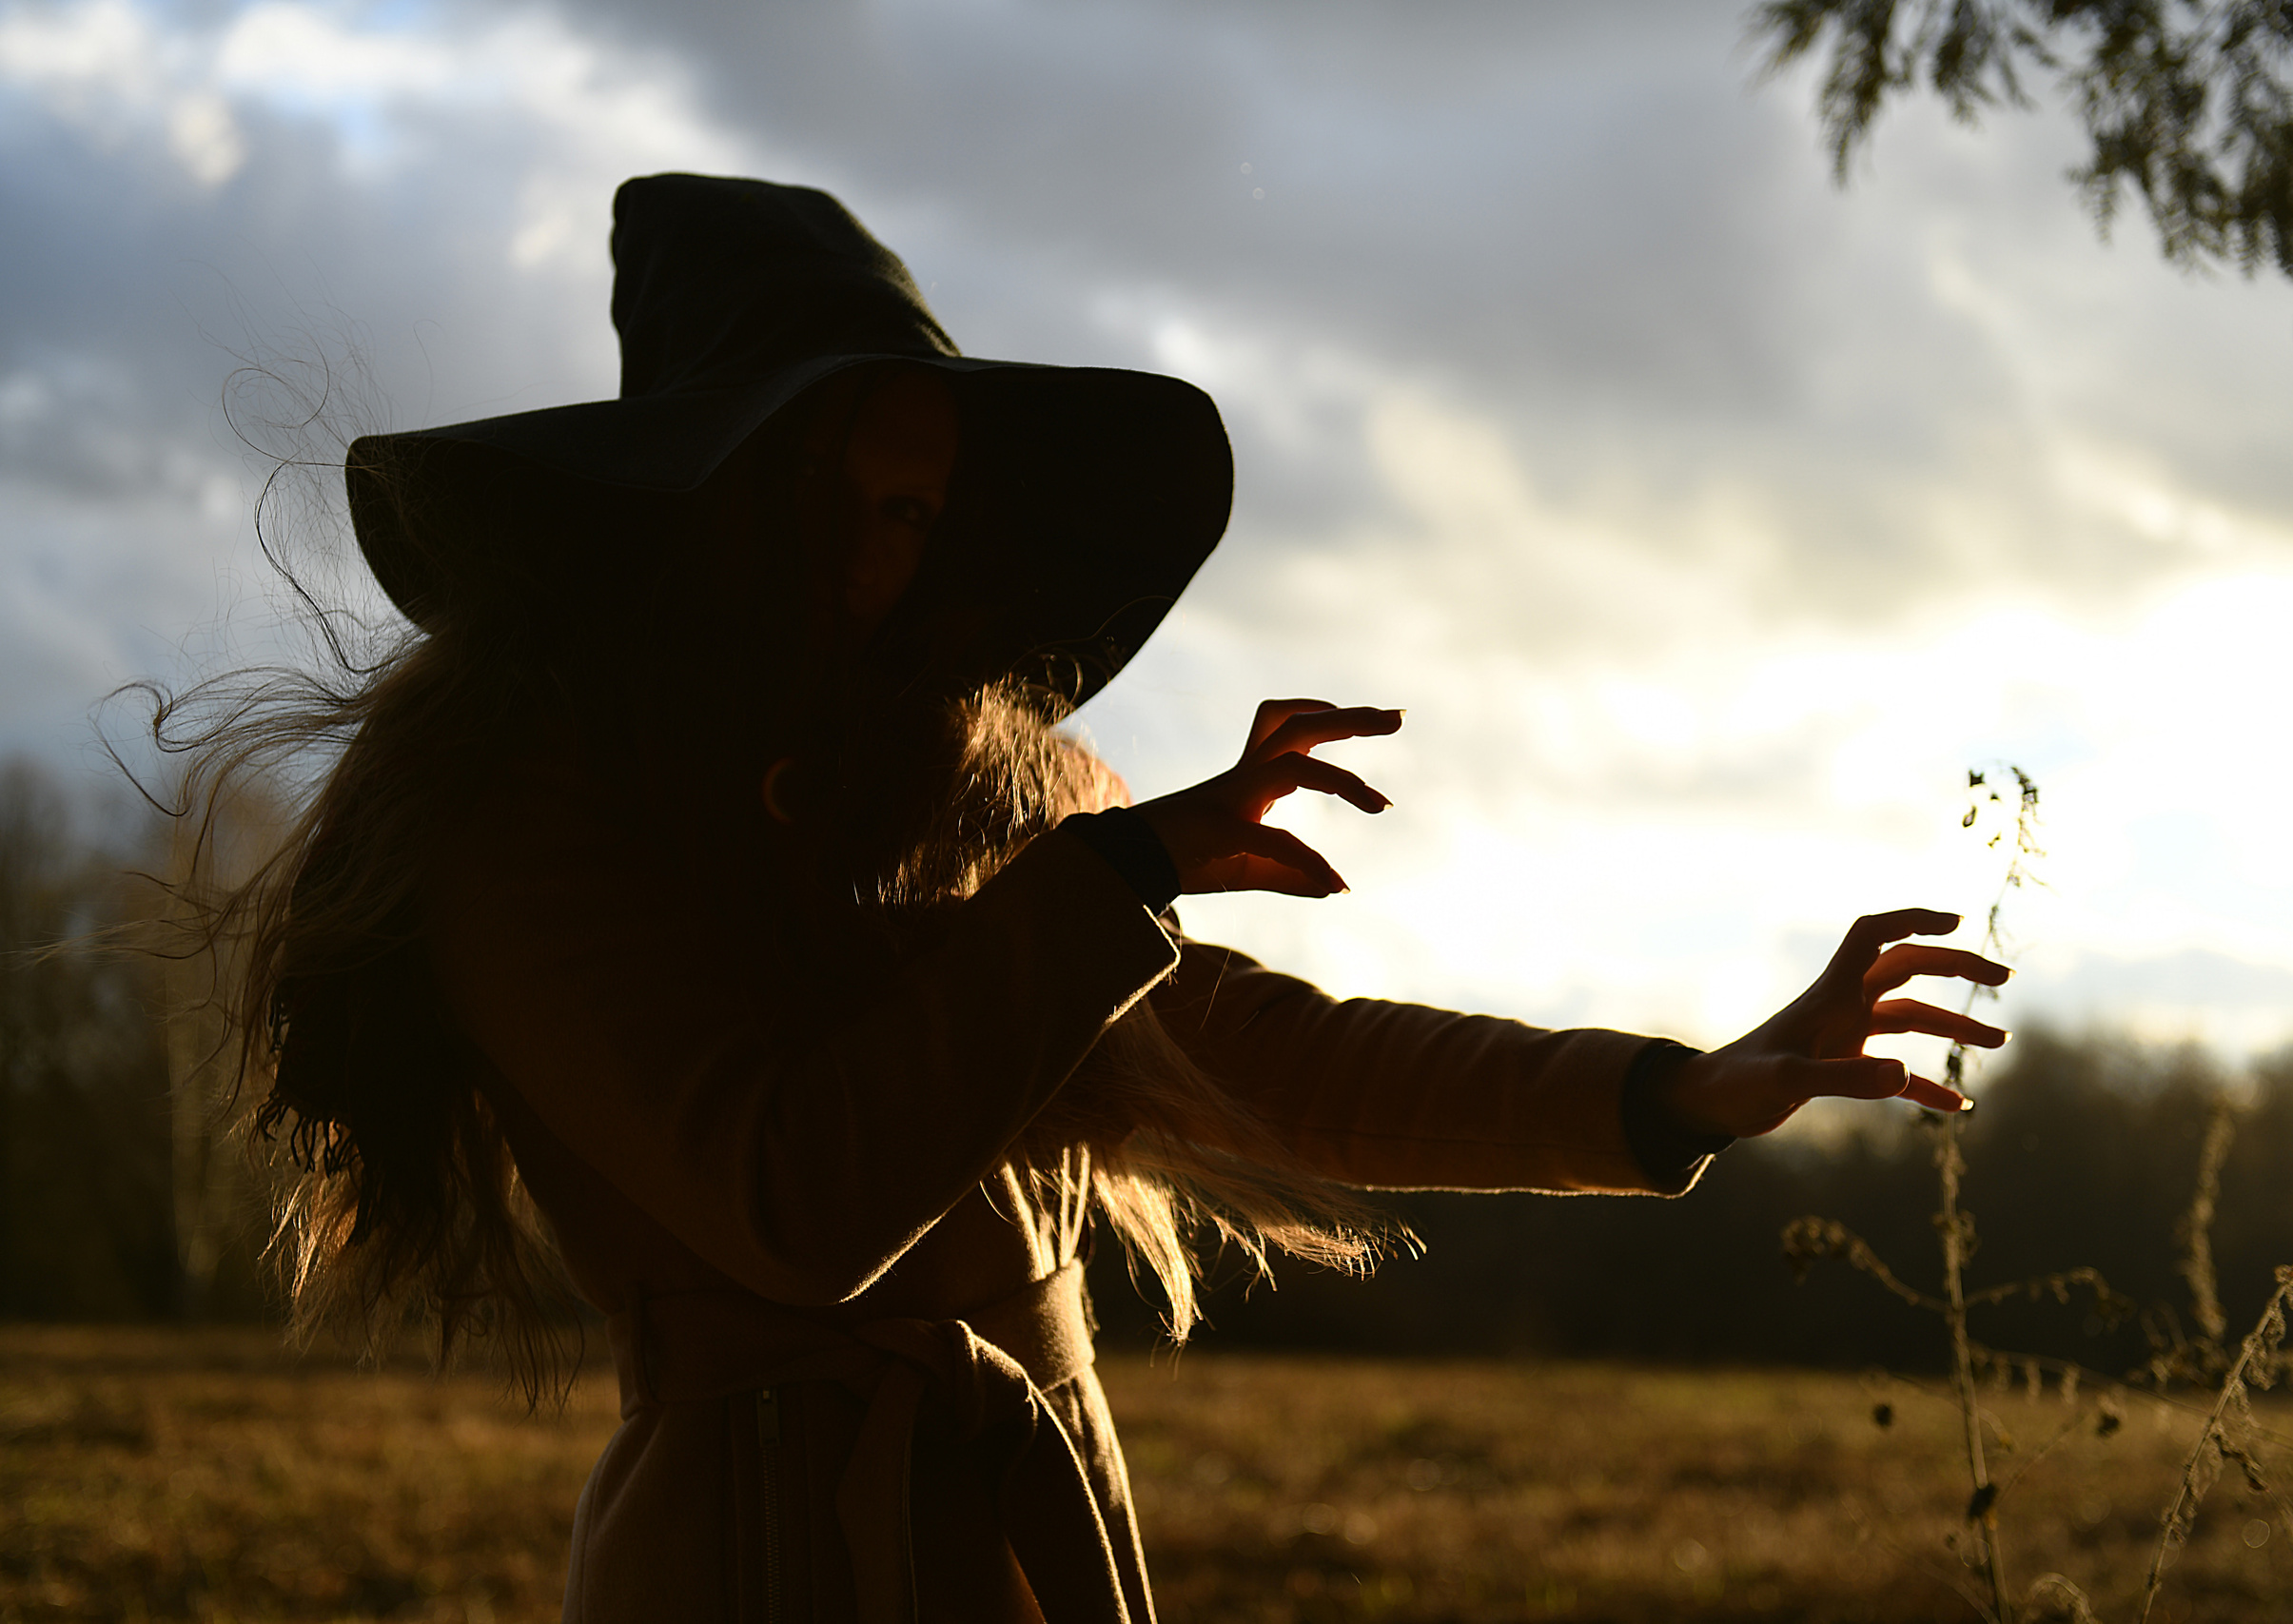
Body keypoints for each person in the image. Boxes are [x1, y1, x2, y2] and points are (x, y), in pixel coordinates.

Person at [167, 174, 2007, 1623]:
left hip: (1045, 1549)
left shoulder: (948, 797)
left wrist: (1675, 1089)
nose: (888, 566)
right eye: (847, 502)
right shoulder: (518, 830)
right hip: (753, 1570)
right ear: (709, 501)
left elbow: (1265, 1060)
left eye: (917, 515)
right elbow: (787, 1196)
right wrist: (1109, 876)